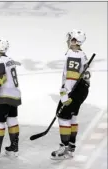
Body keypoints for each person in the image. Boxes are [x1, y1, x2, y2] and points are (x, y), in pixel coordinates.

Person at [51, 29, 90, 160]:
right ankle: (71, 147)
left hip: (73, 89)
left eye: (69, 39)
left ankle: (65, 148)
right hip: (82, 89)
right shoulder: (81, 54)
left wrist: (64, 93)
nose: (67, 41)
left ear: (74, 41)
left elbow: (71, 77)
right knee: (72, 117)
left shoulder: (73, 54)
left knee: (63, 117)